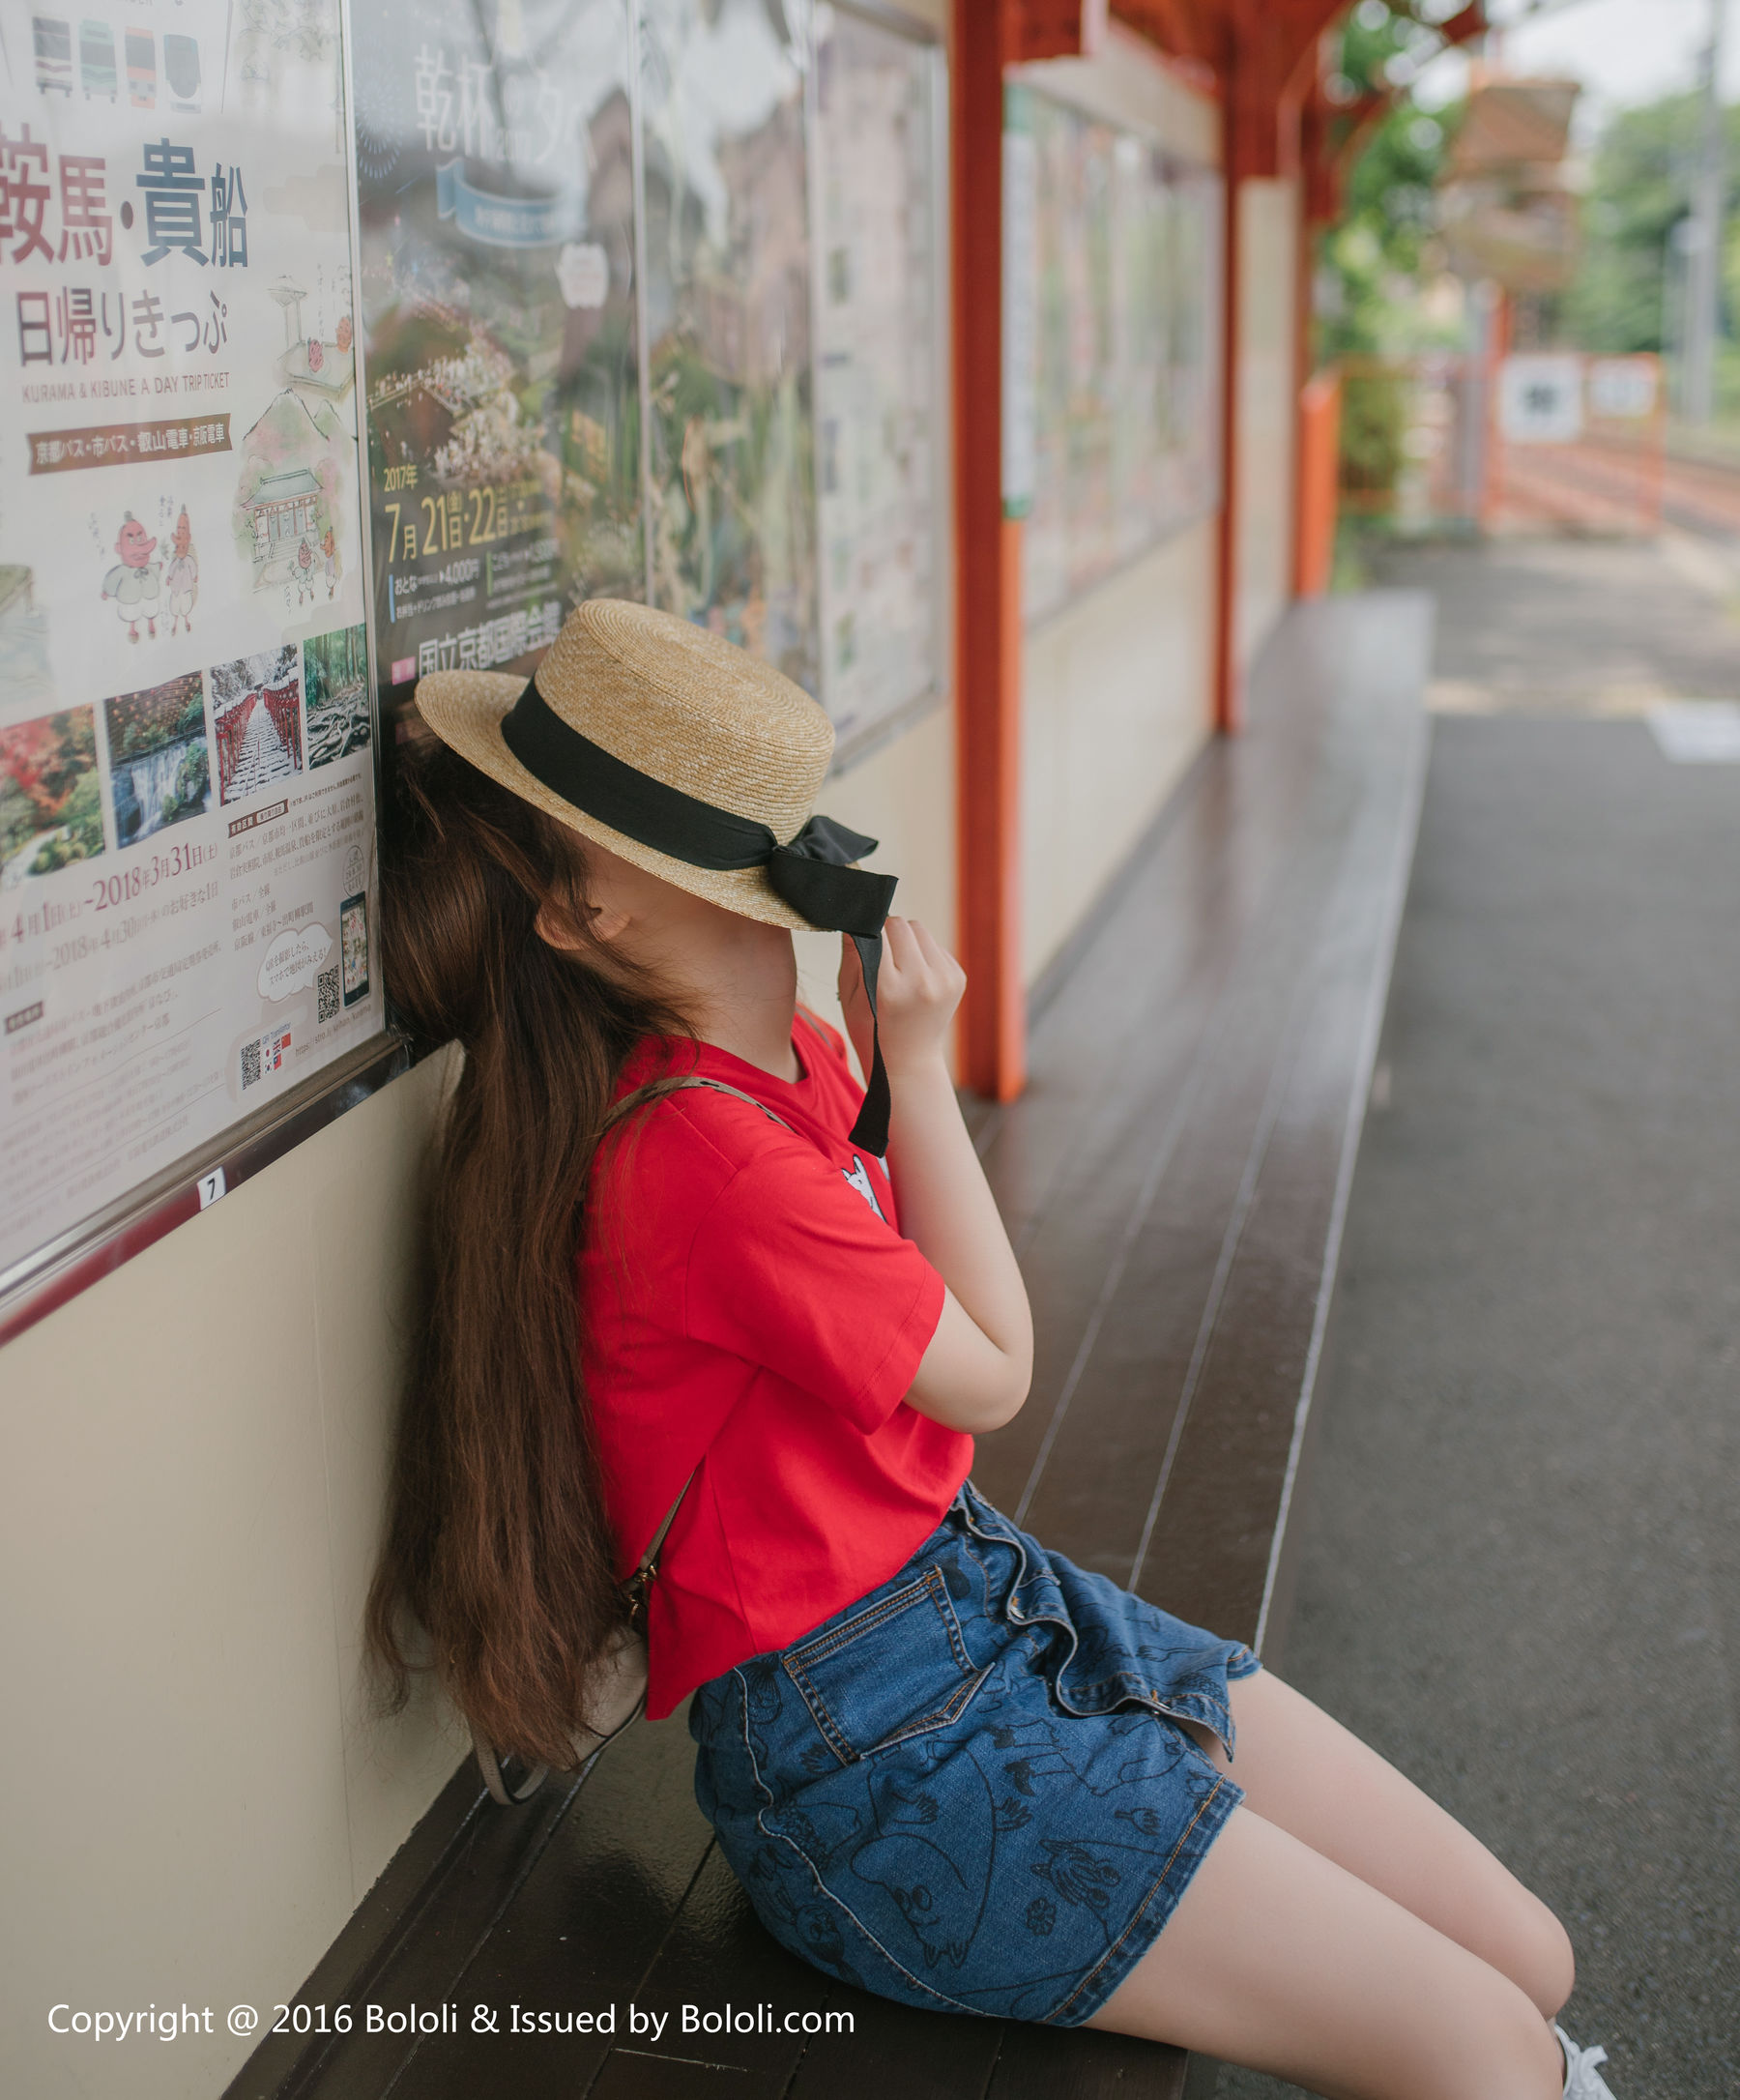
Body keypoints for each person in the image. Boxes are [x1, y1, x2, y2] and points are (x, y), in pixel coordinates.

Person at [368, 598, 1614, 2100]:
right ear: (594, 917)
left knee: (1527, 1964)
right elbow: (997, 1372)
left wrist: (885, 1062)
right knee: (1486, 2048)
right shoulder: (702, 1158)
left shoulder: (774, 1065)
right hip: (875, 1755)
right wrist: (925, 1068)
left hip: (984, 1599)